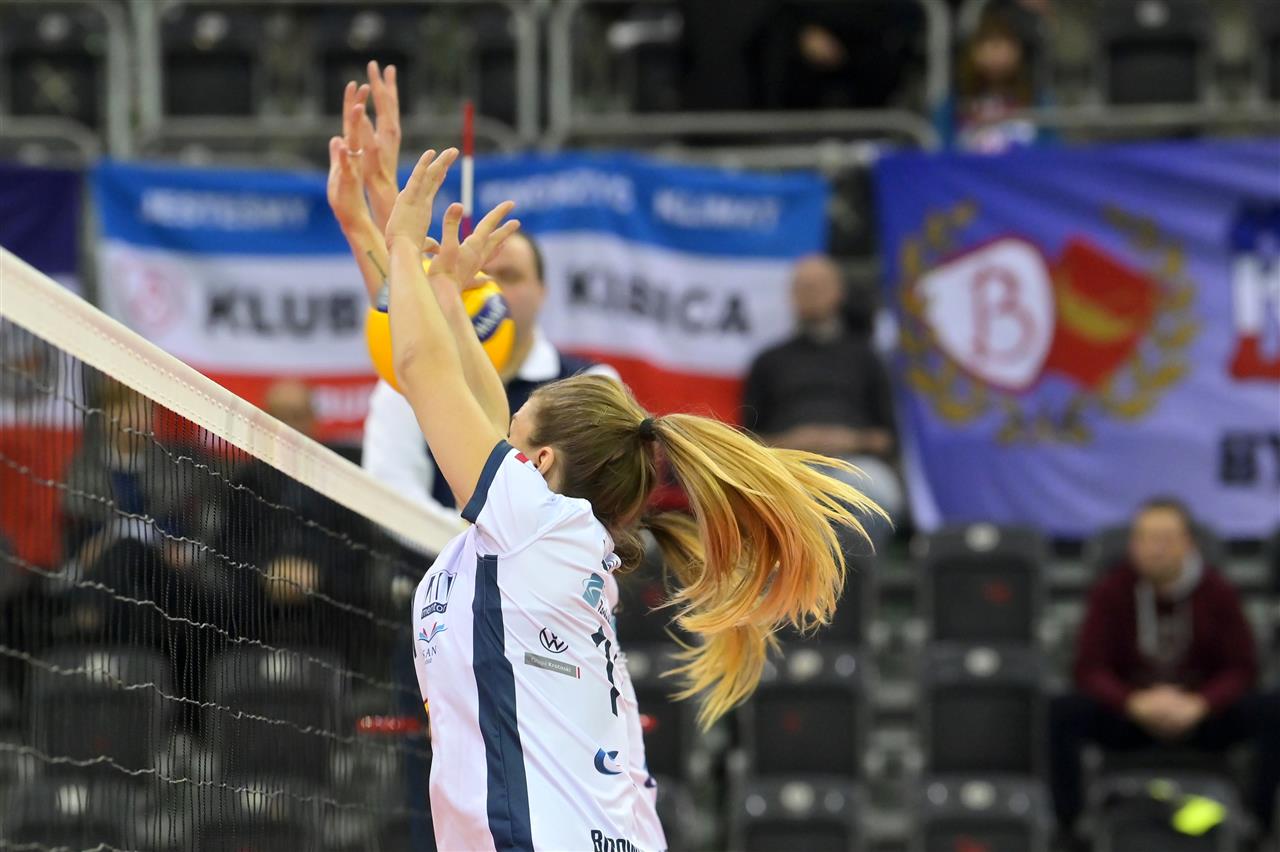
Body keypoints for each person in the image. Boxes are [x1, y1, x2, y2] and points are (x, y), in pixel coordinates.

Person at [376, 146, 882, 851]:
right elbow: (477, 399)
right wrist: (448, 301)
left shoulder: (535, 527)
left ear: (538, 462)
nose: (499, 430)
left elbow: (421, 368)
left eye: (516, 430)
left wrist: (404, 248)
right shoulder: (546, 538)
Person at [323, 66, 617, 519]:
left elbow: (427, 364)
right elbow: (420, 347)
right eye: (475, 274)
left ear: (543, 291)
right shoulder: (411, 385)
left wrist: (382, 228)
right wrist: (367, 211)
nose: (489, 287)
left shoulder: (588, 385)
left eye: (510, 276)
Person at [1049, 498, 1280, 839]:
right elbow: (1089, 668)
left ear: (1188, 544)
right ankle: (1071, 830)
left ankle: (1258, 827)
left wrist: (1201, 704)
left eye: (1165, 539)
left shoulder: (1218, 592)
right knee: (1061, 712)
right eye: (1144, 538)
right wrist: (1133, 702)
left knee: (1271, 710)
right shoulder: (1111, 591)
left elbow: (1242, 669)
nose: (1154, 549)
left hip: (1201, 717)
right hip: (1132, 716)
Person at [741, 254, 903, 537]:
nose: (810, 294)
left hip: (853, 466)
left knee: (882, 496)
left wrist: (849, 440)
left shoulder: (866, 358)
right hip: (788, 467)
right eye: (802, 287)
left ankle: (853, 566)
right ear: (791, 296)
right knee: (768, 504)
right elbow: (747, 441)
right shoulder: (768, 361)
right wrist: (793, 442)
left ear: (839, 291)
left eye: (817, 286)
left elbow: (889, 438)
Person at [934, 11, 1049, 153]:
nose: (995, 54)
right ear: (972, 51)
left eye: (1003, 44)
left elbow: (1050, 151)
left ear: (1018, 51)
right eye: (988, 44)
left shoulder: (1038, 100)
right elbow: (940, 151)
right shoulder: (952, 104)